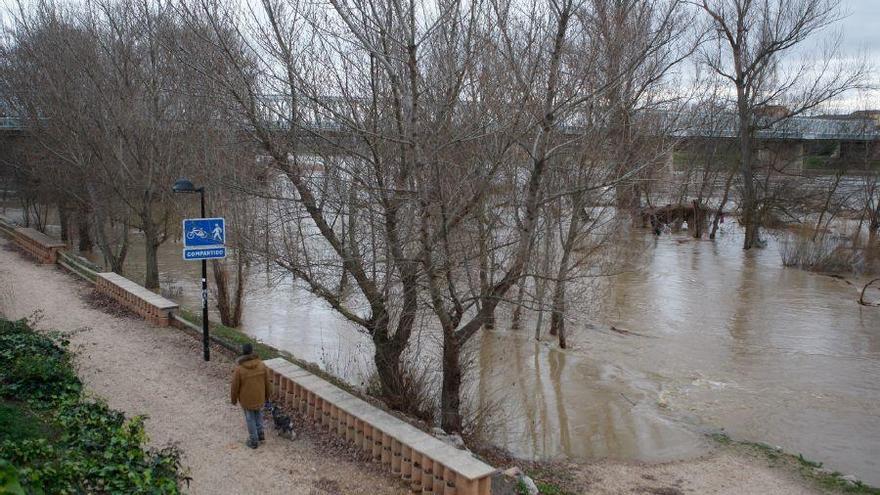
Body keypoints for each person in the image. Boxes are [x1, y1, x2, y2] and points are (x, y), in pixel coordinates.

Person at [230, 343, 272, 449]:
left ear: (243, 352)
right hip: (259, 397)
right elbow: (267, 382)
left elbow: (234, 386)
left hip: (247, 399)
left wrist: (233, 399)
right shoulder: (262, 365)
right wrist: (267, 396)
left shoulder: (239, 369)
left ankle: (253, 440)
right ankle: (261, 435)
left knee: (250, 418)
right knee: (258, 414)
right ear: (252, 351)